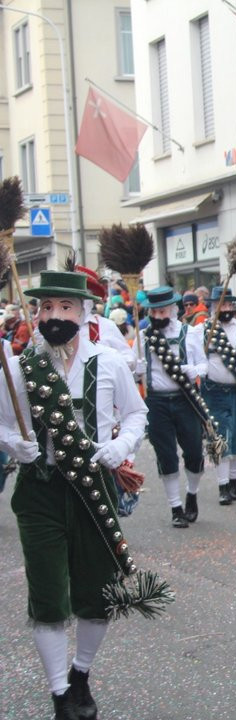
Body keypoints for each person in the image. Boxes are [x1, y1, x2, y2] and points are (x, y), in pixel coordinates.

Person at [0, 271, 149, 720]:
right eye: (46, 308)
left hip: (93, 487)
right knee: (47, 593)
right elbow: (4, 422)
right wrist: (14, 443)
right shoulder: (19, 368)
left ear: (84, 314)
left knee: (96, 591)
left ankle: (81, 673)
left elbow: (138, 414)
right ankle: (60, 692)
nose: (54, 316)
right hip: (40, 489)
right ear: (37, 314)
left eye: (64, 308)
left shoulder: (108, 363)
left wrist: (121, 446)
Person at [139, 286, 209, 529]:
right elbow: (132, 368)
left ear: (172, 310)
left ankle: (192, 493)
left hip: (185, 398)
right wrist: (135, 367)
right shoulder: (143, 337)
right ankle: (175, 507)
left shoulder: (189, 333)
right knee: (166, 455)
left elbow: (204, 365)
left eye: (162, 311)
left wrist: (194, 371)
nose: (157, 316)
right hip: (156, 401)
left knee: (194, 452)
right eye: (153, 312)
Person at [194, 286, 236, 505]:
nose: (226, 308)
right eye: (221, 304)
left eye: (228, 304)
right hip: (213, 391)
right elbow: (194, 358)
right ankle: (222, 485)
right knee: (219, 438)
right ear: (213, 306)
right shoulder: (202, 328)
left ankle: (233, 482)